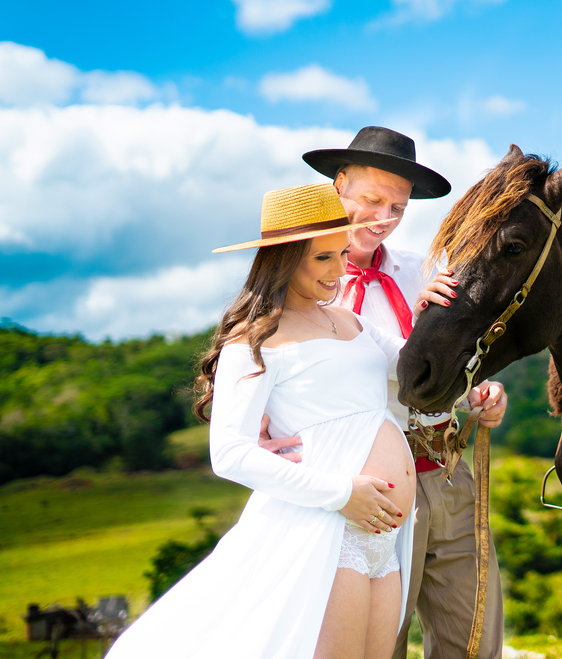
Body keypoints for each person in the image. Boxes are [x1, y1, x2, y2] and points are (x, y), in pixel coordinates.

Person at [108, 183, 419, 659]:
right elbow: (229, 454)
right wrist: (342, 493)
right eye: (322, 258)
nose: (339, 270)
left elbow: (419, 368)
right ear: (283, 258)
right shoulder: (253, 340)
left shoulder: (351, 323)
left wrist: (472, 368)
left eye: (341, 253)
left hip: (383, 537)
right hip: (328, 530)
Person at [293, 127, 508, 659]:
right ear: (338, 185)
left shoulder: (423, 270)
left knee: (475, 642)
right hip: (372, 488)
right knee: (378, 644)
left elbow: (457, 366)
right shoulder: (305, 287)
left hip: (450, 474)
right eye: (371, 200)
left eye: (398, 207)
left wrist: (479, 392)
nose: (383, 217)